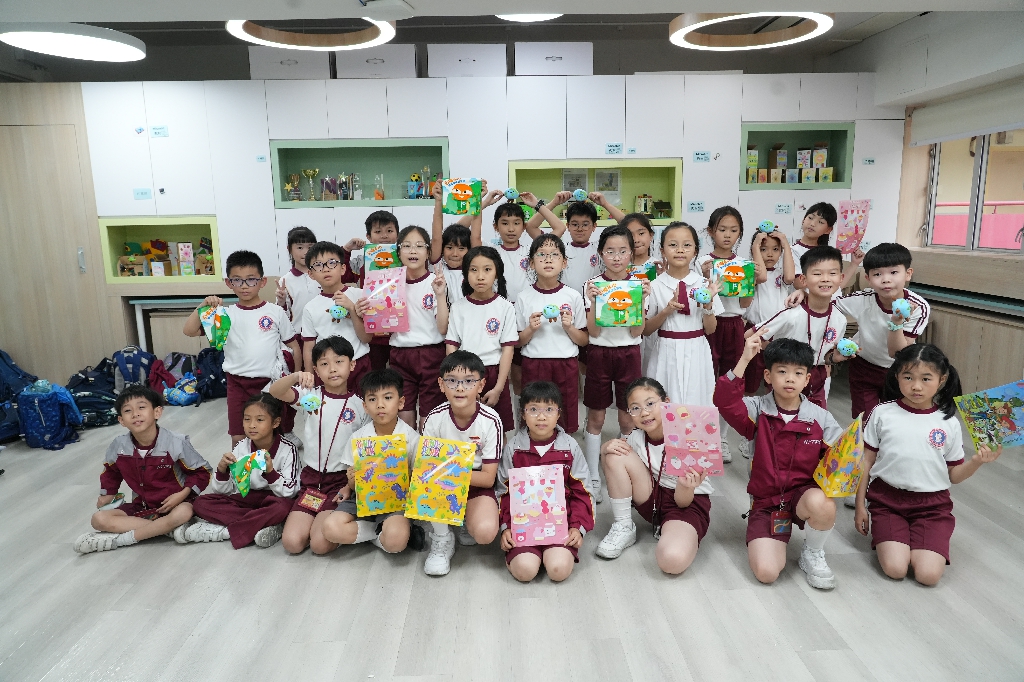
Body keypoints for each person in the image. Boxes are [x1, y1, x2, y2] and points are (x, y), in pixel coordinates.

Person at [855, 344, 1001, 586]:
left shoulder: (949, 422)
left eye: (926, 378)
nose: (916, 386)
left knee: (928, 576)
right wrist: (860, 505)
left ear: (942, 379)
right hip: (887, 501)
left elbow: (954, 475)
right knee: (895, 569)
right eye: (908, 377)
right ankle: (897, 538)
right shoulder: (882, 413)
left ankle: (919, 539)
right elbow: (866, 462)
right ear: (896, 376)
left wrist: (977, 462)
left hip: (932, 507)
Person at [715, 334, 844, 590]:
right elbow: (724, 401)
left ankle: (812, 552)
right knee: (767, 573)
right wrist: (744, 359)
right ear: (767, 376)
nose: (789, 379)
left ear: (807, 379)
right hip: (766, 503)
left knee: (823, 504)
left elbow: (839, 459)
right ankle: (774, 536)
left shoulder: (821, 418)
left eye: (798, 373)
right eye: (782, 371)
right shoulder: (756, 409)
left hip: (802, 496)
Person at [73, 385, 212, 554]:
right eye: (128, 410)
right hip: (143, 507)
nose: (135, 414)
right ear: (121, 420)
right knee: (98, 519)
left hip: (177, 504)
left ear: (157, 412)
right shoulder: (118, 446)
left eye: (141, 407)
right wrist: (107, 494)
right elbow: (111, 472)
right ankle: (168, 530)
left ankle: (121, 540)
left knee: (183, 513)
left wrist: (182, 494)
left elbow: (202, 471)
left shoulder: (176, 442)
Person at [183, 250, 300, 447]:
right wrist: (203, 306)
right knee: (238, 437)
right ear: (229, 283)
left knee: (270, 434)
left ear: (262, 282)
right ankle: (241, 468)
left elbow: (293, 345)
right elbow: (189, 330)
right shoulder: (224, 315)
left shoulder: (275, 312)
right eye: (237, 280)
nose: (244, 286)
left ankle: (274, 466)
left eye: (251, 279)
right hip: (236, 383)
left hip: (269, 383)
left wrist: (295, 377)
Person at [596, 377, 713, 575]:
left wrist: (686, 485)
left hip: (686, 503)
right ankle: (624, 526)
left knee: (671, 561)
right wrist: (604, 448)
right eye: (635, 408)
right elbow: (614, 468)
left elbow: (683, 502)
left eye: (650, 403)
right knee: (614, 452)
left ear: (666, 403)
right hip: (653, 497)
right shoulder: (635, 437)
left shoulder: (689, 436)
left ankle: (672, 531)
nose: (644, 412)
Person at [269, 336, 370, 555]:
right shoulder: (310, 398)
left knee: (320, 545)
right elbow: (275, 391)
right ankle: (300, 524)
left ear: (352, 365)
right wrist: (296, 376)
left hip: (340, 482)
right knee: (292, 543)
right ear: (315, 370)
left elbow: (364, 452)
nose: (332, 369)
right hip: (311, 480)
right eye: (324, 364)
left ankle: (360, 525)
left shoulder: (360, 406)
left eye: (339, 361)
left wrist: (350, 486)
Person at [495, 381, 594, 582]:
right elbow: (502, 492)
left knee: (558, 571)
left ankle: (548, 554)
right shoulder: (514, 448)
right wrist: (506, 528)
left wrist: (577, 527)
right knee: (525, 572)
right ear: (523, 414)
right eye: (533, 409)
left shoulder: (569, 447)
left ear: (558, 414)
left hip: (560, 524)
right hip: (522, 526)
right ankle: (527, 556)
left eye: (549, 409)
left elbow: (583, 492)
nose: (541, 417)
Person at [320, 369, 425, 553]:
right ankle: (377, 533)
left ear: (401, 402)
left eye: (388, 398)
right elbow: (353, 484)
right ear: (365, 406)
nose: (380, 405)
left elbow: (418, 481)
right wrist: (351, 481)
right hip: (362, 499)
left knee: (395, 542)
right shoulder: (358, 438)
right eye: (372, 399)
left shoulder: (412, 438)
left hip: (396, 502)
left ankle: (384, 533)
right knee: (330, 528)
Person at [582, 225, 651, 501]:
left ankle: (624, 472)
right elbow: (593, 332)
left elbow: (637, 332)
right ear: (601, 254)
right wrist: (593, 302)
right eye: (610, 251)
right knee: (596, 416)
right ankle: (592, 475)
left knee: (627, 418)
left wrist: (641, 301)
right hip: (599, 353)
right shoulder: (593, 285)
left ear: (631, 253)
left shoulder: (638, 286)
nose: (617, 257)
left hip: (629, 353)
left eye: (623, 251)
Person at [420, 350, 502, 576]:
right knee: (428, 480)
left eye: (468, 381)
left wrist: (449, 472)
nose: (459, 388)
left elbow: (488, 478)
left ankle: (464, 517)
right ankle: (442, 538)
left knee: (485, 533)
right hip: (441, 483)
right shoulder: (434, 418)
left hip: (475, 482)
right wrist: (442, 475)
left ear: (481, 385)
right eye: (452, 381)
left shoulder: (491, 420)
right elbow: (427, 472)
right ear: (441, 384)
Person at [361, 225, 449, 429]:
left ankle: (426, 450)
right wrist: (365, 309)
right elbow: (378, 325)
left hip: (432, 354)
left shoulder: (435, 282)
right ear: (398, 252)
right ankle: (407, 450)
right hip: (400, 354)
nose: (413, 250)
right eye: (407, 246)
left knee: (429, 418)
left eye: (419, 245)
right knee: (403, 415)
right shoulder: (386, 283)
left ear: (428, 252)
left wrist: (440, 295)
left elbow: (443, 328)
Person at [185, 393, 300, 549]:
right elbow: (224, 491)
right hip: (247, 499)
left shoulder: (288, 449)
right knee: (200, 503)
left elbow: (290, 492)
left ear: (275, 422)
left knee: (283, 508)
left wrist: (271, 472)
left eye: (260, 420)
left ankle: (227, 532)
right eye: (247, 419)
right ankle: (263, 524)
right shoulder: (241, 447)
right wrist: (222, 470)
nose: (252, 425)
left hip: (274, 499)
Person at [834, 243, 931, 418]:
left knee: (894, 420)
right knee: (864, 419)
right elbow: (826, 304)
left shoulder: (918, 307)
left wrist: (896, 322)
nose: (886, 279)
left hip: (898, 370)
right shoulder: (863, 299)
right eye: (877, 274)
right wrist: (804, 294)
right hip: (863, 367)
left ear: (908, 274)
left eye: (893, 272)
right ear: (868, 278)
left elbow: (897, 353)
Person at [750, 246, 850, 409]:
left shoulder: (840, 320)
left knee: (814, 421)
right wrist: (779, 354)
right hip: (787, 377)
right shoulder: (791, 314)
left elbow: (826, 356)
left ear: (841, 278)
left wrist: (834, 358)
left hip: (817, 379)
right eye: (817, 274)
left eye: (832, 273)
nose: (825, 279)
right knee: (779, 420)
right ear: (803, 280)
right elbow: (751, 335)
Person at [643, 221, 722, 425]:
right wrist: (666, 311)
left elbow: (711, 329)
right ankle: (665, 443)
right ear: (662, 250)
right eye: (673, 245)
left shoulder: (705, 285)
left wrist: (708, 304)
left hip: (697, 349)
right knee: (665, 400)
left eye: (687, 245)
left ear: (695, 250)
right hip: (665, 350)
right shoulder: (655, 286)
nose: (680, 250)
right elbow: (646, 329)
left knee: (697, 399)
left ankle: (697, 444)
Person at [514, 234, 588, 435]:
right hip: (534, 364)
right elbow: (518, 342)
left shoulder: (573, 296)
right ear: (531, 263)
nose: (548, 259)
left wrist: (569, 327)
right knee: (534, 413)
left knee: (565, 414)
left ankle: (563, 450)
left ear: (564, 263)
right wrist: (531, 329)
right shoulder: (523, 297)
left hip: (566, 364)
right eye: (541, 254)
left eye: (554, 254)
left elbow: (584, 340)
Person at [695, 207, 750, 463]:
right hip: (709, 324)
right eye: (722, 229)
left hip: (735, 325)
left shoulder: (743, 264)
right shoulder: (701, 262)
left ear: (740, 233)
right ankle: (704, 436)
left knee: (730, 381)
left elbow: (745, 303)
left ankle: (723, 438)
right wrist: (707, 278)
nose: (727, 235)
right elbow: (698, 298)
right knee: (707, 379)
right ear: (711, 232)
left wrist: (748, 282)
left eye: (734, 230)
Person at [445, 246, 517, 429]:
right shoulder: (458, 307)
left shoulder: (506, 307)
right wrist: (457, 380)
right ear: (465, 274)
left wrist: (498, 388)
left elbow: (508, 349)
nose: (480, 276)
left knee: (498, 429)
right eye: (473, 270)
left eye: (487, 269)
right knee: (465, 428)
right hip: (464, 375)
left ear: (497, 273)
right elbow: (452, 347)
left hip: (494, 374)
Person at [300, 241, 372, 395]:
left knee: (363, 406)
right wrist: (309, 376)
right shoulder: (310, 308)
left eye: (332, 263)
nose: (326, 269)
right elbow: (309, 347)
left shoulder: (360, 295)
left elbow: (366, 338)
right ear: (311, 274)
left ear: (343, 268)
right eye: (318, 265)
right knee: (331, 407)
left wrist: (352, 309)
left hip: (359, 364)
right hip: (328, 370)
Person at [527, 191, 625, 294]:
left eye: (585, 224)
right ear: (568, 226)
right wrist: (554, 203)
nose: (580, 229)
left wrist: (605, 204)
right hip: (565, 301)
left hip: (593, 300)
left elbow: (628, 225)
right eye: (575, 224)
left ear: (594, 226)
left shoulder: (600, 248)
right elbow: (531, 227)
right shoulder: (558, 248)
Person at [343, 210, 401, 369]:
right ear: (368, 236)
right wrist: (347, 250)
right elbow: (343, 276)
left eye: (389, 231)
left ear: (397, 234)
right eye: (378, 232)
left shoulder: (404, 258)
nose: (384, 236)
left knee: (400, 374)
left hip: (400, 329)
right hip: (371, 330)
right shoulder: (362, 260)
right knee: (374, 373)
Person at [744, 229, 796, 397]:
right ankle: (749, 402)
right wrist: (755, 246)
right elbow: (762, 277)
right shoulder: (750, 272)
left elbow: (790, 277)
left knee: (777, 373)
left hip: (778, 332)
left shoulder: (781, 274)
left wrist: (785, 243)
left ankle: (774, 404)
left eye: (775, 249)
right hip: (755, 330)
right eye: (763, 249)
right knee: (752, 375)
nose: (770, 254)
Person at [791, 202, 862, 289]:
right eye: (810, 218)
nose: (812, 224)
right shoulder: (792, 251)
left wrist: (854, 263)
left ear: (828, 230)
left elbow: (836, 288)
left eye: (820, 222)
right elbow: (798, 284)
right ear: (803, 220)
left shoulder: (828, 253)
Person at [429, 184, 473, 305]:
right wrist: (438, 201)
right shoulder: (438, 267)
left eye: (461, 248)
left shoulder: (473, 269)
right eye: (449, 247)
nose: (455, 254)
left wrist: (479, 201)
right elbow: (436, 237)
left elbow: (476, 236)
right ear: (442, 249)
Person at [275, 225, 321, 326]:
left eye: (310, 247)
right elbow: (282, 318)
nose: (306, 252)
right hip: (298, 333)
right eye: (300, 247)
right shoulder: (285, 281)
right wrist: (282, 303)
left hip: (324, 330)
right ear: (289, 249)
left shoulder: (323, 274)